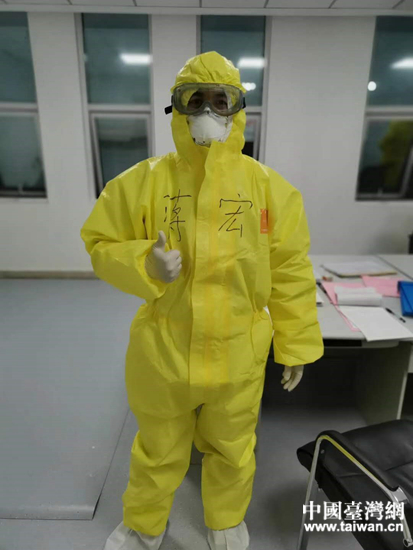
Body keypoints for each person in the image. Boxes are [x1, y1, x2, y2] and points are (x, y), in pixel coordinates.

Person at [80, 51, 324, 550]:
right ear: (177, 108)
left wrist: (295, 343)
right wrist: (143, 263)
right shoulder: (143, 182)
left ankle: (225, 520)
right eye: (196, 100)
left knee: (232, 445)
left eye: (221, 100)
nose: (209, 111)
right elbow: (100, 242)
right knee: (158, 446)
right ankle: (144, 524)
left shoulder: (270, 190)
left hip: (239, 350)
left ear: (239, 110)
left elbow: (290, 269)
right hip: (164, 348)